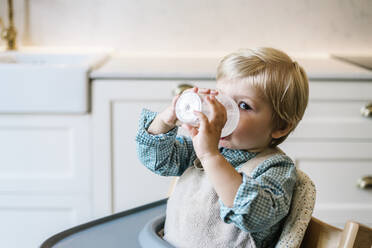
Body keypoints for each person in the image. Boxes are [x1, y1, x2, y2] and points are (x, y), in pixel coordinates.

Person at [135, 47, 309, 248]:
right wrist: (165, 119)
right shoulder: (198, 149)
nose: (224, 112)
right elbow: (156, 160)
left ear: (280, 126)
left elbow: (252, 215)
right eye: (221, 98)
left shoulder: (276, 168)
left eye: (243, 106)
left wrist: (210, 157)